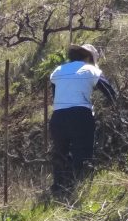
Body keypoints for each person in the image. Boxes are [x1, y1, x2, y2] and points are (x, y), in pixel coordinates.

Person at [49, 44, 117, 195]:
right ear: (88, 57)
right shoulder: (91, 70)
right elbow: (111, 94)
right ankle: (80, 188)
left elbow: (55, 95)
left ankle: (59, 189)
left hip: (58, 116)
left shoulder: (57, 71)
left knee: (60, 153)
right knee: (82, 152)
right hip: (80, 115)